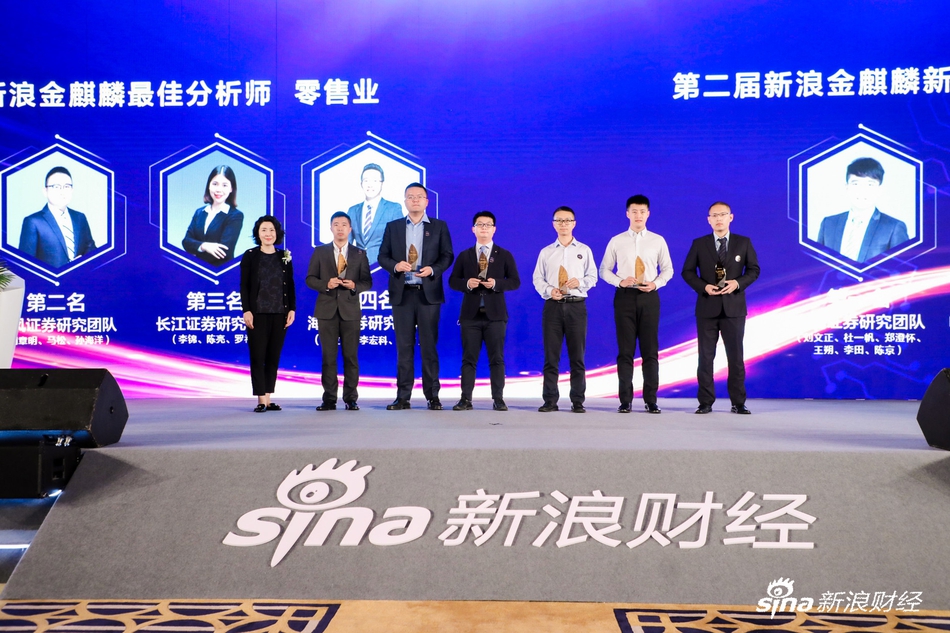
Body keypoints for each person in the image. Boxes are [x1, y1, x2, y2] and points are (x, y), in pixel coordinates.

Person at [377, 183, 454, 410]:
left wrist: (433, 270)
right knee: (404, 347)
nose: (415, 200)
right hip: (402, 295)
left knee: (429, 347)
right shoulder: (393, 227)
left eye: (419, 196)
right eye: (410, 196)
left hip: (428, 295)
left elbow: (447, 255)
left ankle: (433, 396)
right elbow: (382, 256)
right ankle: (403, 397)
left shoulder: (439, 226)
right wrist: (395, 266)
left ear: (427, 201)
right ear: (405, 201)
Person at [682, 202, 760, 414]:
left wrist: (738, 283)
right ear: (708, 220)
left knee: (735, 357)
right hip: (707, 307)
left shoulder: (743, 242)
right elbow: (687, 272)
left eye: (722, 215)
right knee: (705, 357)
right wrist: (704, 287)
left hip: (734, 308)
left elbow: (754, 270)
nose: (718, 219)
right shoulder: (699, 244)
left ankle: (738, 403)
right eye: (714, 215)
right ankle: (705, 402)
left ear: (730, 217)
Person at [599, 194, 673, 414]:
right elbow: (604, 270)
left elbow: (668, 269)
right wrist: (619, 281)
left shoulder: (658, 240)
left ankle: (651, 400)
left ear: (648, 214)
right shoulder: (617, 240)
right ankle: (625, 400)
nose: (638, 215)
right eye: (634, 211)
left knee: (650, 351)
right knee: (625, 351)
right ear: (627, 214)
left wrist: (655, 283)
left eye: (642, 211)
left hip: (649, 297)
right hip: (625, 297)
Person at [448, 211, 520, 411]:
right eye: (480, 224)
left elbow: (515, 281)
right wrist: (467, 284)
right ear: (473, 229)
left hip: (495, 315)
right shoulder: (465, 255)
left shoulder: (504, 255)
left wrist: (496, 284)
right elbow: (453, 281)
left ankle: (498, 399)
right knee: (468, 359)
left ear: (494, 229)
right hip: (470, 315)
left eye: (488, 225)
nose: (484, 228)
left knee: (496, 359)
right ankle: (465, 399)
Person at [532, 206, 598, 413]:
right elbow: (537, 279)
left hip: (576, 306)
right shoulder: (546, 252)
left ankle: (577, 400)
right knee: (551, 357)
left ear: (574, 224)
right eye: (559, 221)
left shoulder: (584, 250)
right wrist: (549, 290)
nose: (563, 224)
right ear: (554, 224)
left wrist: (580, 282)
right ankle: (550, 400)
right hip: (553, 307)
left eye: (567, 220)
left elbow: (593, 277)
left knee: (577, 356)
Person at [306, 212, 373, 410]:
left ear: (350, 229)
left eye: (344, 224)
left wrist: (354, 286)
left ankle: (351, 398)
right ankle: (329, 399)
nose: (340, 228)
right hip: (326, 310)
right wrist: (326, 284)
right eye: (336, 224)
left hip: (350, 311)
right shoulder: (320, 252)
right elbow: (310, 279)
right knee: (328, 357)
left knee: (351, 357)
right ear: (331, 228)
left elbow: (367, 281)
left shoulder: (359, 254)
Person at [240, 216, 296, 412]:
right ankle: (261, 400)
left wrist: (291, 308)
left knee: (273, 356)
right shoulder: (250, 256)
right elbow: (244, 286)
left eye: (271, 230)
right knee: (258, 356)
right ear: (258, 233)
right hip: (257, 314)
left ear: (277, 233)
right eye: (264, 230)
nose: (268, 234)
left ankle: (269, 398)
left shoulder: (284, 256)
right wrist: (246, 310)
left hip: (280, 313)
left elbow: (290, 285)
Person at [816, 157, 909, 263]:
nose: (862, 190)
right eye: (855, 184)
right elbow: (817, 264)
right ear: (847, 187)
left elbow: (902, 268)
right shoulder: (828, 224)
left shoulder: (894, 227)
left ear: (879, 190)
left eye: (870, 184)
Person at [19, 166, 96, 268]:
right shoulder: (33, 222)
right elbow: (25, 264)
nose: (62, 191)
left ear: (72, 190)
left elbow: (91, 251)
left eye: (66, 186)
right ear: (45, 191)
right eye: (56, 187)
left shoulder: (80, 218)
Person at [183, 165, 245, 266]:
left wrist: (196, 249)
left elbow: (224, 252)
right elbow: (186, 242)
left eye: (224, 185)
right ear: (209, 185)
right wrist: (204, 246)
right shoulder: (199, 212)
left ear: (231, 188)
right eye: (215, 184)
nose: (218, 190)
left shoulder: (235, 215)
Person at [347, 163, 405, 266]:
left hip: (383, 267)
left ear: (382, 183)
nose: (370, 184)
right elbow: (346, 243)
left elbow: (399, 242)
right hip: (357, 268)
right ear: (361, 184)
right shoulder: (352, 211)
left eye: (374, 180)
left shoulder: (393, 208)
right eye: (366, 180)